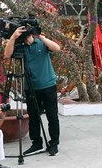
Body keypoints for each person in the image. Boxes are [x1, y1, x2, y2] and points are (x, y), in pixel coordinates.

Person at [4, 24, 61, 156]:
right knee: (33, 117)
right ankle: (36, 143)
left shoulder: (41, 43)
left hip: (48, 84)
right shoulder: (20, 48)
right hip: (31, 87)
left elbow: (57, 48)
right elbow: (7, 55)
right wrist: (13, 37)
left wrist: (40, 36)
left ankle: (54, 143)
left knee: (52, 116)